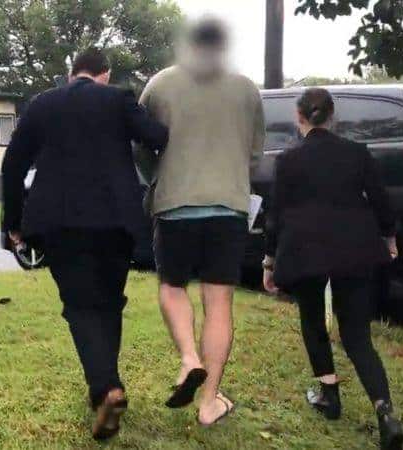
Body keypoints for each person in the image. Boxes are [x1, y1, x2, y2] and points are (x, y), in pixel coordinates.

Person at [0, 48, 168, 441]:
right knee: (109, 302)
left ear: (71, 72)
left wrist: (13, 223)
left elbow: (13, 164)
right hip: (116, 221)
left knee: (79, 305)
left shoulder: (43, 104)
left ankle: (107, 389)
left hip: (59, 222)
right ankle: (104, 389)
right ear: (104, 73)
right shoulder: (118, 99)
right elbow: (157, 137)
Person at [136, 18, 265, 426]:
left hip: (176, 203)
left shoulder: (160, 84)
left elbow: (141, 144)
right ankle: (209, 403)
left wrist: (158, 175)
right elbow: (255, 154)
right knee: (219, 302)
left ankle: (189, 358)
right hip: (229, 207)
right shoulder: (247, 89)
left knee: (172, 287)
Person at [262, 88, 403, 449]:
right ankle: (385, 411)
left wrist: (269, 260)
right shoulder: (357, 153)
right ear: (332, 116)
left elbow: (275, 215)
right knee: (357, 335)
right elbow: (381, 200)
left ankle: (329, 395)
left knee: (312, 321)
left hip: (304, 250)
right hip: (355, 248)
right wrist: (388, 238)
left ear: (299, 117)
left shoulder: (288, 160)